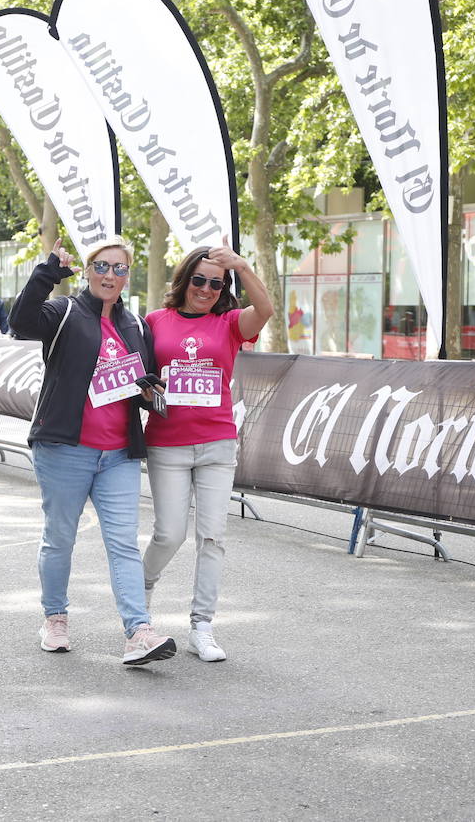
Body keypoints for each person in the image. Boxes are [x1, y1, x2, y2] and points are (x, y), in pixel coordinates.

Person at [9, 235, 176, 667]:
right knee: (59, 538)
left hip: (118, 454)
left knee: (122, 543)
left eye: (119, 268)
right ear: (87, 270)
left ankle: (139, 632)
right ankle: (55, 618)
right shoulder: (64, 311)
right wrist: (47, 272)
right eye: (102, 266)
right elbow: (21, 322)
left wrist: (149, 391)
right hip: (65, 448)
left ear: (127, 276)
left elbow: (143, 380)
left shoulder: (136, 326)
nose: (110, 275)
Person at [142, 239, 273, 662]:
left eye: (216, 284)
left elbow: (266, 310)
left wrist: (242, 265)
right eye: (198, 280)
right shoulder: (154, 320)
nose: (205, 289)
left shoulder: (231, 323)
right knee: (169, 533)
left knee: (213, 536)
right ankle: (138, 602)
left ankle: (202, 625)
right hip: (168, 443)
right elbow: (140, 375)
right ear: (183, 281)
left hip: (218, 443)